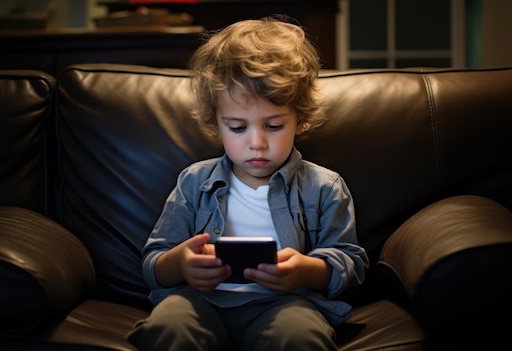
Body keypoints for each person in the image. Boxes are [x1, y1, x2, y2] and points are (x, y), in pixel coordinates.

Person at [127, 15, 369, 351]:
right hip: (200, 302)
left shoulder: (324, 186)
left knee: (300, 336)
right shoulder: (195, 181)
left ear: (299, 119)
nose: (256, 143)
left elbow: (350, 263)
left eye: (273, 126)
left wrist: (306, 271)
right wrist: (181, 262)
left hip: (285, 305)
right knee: (170, 326)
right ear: (216, 123)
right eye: (238, 128)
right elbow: (154, 262)